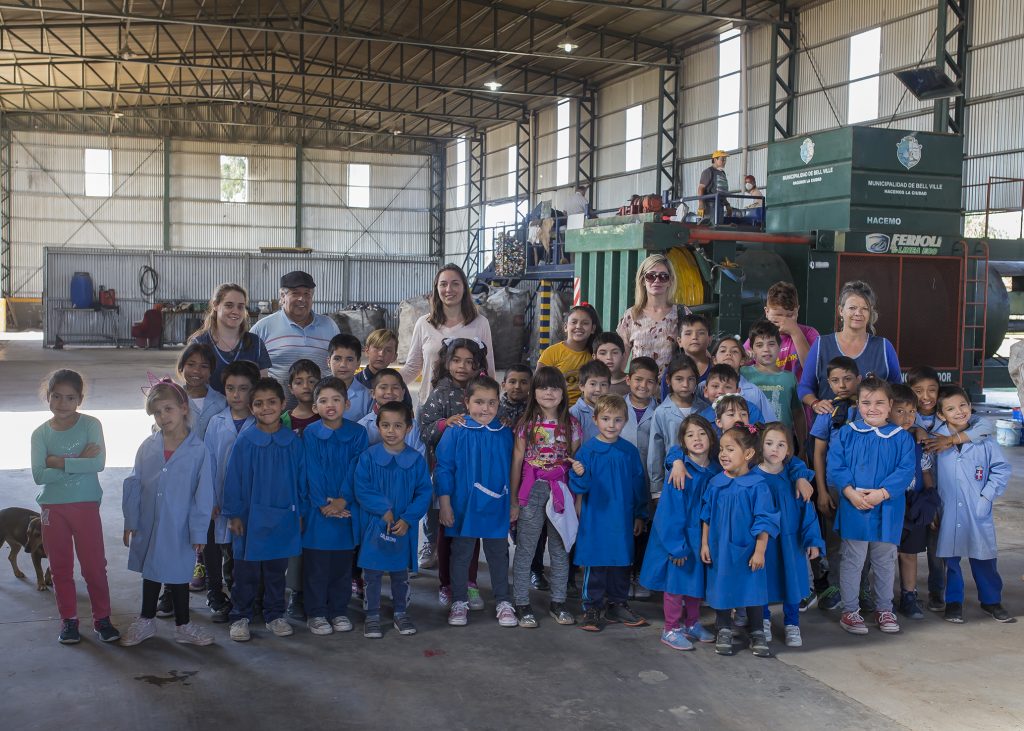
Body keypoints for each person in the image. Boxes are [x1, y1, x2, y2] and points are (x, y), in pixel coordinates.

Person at [120, 380, 215, 647]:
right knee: (150, 570)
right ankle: (146, 621)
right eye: (157, 412)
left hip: (180, 525)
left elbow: (203, 495)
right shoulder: (148, 447)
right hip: (149, 521)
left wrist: (198, 530)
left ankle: (183, 625)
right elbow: (134, 483)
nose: (163, 417)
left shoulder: (198, 451)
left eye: (168, 409)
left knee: (179, 573)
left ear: (184, 408)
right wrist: (131, 519)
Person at [30, 370, 118, 645]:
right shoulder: (40, 434)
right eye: (56, 396)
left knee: (93, 566)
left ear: (80, 399)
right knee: (60, 567)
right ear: (48, 397)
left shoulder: (91, 424)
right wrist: (78, 460)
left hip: (85, 505)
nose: (62, 403)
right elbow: (39, 476)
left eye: (70, 397)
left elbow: (98, 464)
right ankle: (68, 620)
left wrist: (58, 462)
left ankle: (102, 618)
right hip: (52, 508)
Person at [827, 377, 916, 636]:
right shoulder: (847, 433)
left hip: (887, 508)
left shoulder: (901, 438)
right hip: (854, 505)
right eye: (866, 402)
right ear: (858, 404)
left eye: (879, 402)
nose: (872, 408)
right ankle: (850, 610)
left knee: (885, 560)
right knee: (853, 560)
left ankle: (884, 608)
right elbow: (836, 465)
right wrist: (849, 492)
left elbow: (905, 470)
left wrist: (882, 493)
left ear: (890, 405)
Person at [223, 377, 304, 642]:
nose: (265, 408)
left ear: (282, 405)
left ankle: (274, 614)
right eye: (258, 403)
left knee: (275, 571)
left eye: (272, 402)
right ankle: (240, 616)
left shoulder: (292, 442)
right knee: (245, 572)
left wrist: (300, 512)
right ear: (251, 407)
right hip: (248, 518)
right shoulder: (245, 441)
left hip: (282, 517)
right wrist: (234, 514)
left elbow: (301, 479)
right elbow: (233, 478)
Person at [434, 376, 517, 628]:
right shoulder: (456, 431)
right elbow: (444, 469)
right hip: (463, 506)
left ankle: (503, 600)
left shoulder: (504, 433)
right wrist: (445, 504)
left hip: (496, 504)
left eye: (492, 403)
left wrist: (513, 502)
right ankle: (459, 600)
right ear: (466, 402)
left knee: (499, 555)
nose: (486, 408)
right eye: (479, 402)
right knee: (461, 554)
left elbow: (513, 469)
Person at [932, 386, 1014, 624]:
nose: (959, 412)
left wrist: (986, 497)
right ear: (941, 415)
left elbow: (1000, 469)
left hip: (977, 507)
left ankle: (991, 600)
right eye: (950, 408)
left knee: (984, 556)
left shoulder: (984, 439)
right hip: (946, 508)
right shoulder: (936, 440)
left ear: (970, 406)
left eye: (963, 405)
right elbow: (931, 473)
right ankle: (954, 602)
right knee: (952, 558)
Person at [639, 414, 721, 650]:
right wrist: (676, 546)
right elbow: (670, 512)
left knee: (695, 583)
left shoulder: (715, 470)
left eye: (702, 433)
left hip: (700, 537)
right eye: (690, 434)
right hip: (679, 536)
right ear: (683, 442)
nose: (697, 438)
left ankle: (692, 623)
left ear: (712, 438)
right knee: (675, 585)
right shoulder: (681, 471)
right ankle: (671, 628)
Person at [510, 366, 582, 628]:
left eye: (554, 387)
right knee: (526, 547)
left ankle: (559, 601)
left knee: (560, 548)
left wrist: (577, 501)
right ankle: (521, 602)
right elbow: (517, 461)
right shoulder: (526, 424)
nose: (548, 392)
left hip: (562, 490)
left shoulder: (572, 425)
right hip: (532, 489)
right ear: (534, 392)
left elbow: (575, 462)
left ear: (563, 392)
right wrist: (514, 501)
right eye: (542, 387)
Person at [419, 338, 489, 609]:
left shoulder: (481, 391)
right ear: (447, 362)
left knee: (471, 532)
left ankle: (470, 583)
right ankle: (447, 584)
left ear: (477, 365)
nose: (462, 366)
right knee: (447, 533)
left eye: (469, 361)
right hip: (447, 477)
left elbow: (494, 419)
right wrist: (443, 424)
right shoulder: (440, 393)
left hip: (476, 478)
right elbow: (424, 431)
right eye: (456, 360)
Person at [354, 401, 433, 638]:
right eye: (386, 425)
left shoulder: (416, 460)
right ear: (377, 426)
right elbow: (361, 487)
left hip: (403, 527)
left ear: (409, 428)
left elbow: (424, 493)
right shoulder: (368, 457)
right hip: (374, 525)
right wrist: (382, 509)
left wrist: (408, 519)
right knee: (373, 574)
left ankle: (401, 611)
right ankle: (373, 615)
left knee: (400, 573)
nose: (391, 431)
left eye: (398, 425)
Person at [700, 424, 780, 657]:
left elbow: (764, 520)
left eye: (730, 449)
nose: (723, 454)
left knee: (752, 590)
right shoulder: (716, 483)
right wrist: (705, 543)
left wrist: (760, 551)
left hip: (749, 550)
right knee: (722, 586)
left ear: (748, 454)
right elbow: (706, 515)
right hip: (719, 548)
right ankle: (723, 627)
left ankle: (757, 631)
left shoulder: (758, 486)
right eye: (721, 449)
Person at [571, 394, 649, 632]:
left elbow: (639, 486)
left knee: (621, 562)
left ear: (625, 421)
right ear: (595, 419)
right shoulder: (587, 452)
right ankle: (592, 607)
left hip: (622, 518)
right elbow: (579, 487)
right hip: (596, 518)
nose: (611, 425)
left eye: (617, 420)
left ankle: (617, 603)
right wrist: (580, 473)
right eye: (605, 419)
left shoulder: (629, 452)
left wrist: (640, 514)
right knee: (596, 563)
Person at [300, 377, 368, 637]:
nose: (330, 405)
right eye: (323, 400)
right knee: (316, 567)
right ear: (315, 406)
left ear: (347, 404)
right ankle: (316, 613)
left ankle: (339, 610)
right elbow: (311, 471)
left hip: (346, 510)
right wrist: (322, 504)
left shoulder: (358, 433)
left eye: (336, 399)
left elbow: (357, 469)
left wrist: (343, 500)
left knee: (342, 567)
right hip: (318, 513)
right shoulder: (311, 434)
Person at [202, 359, 260, 622]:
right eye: (230, 388)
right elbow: (209, 462)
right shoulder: (216, 422)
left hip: (252, 502)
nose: (236, 395)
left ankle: (247, 599)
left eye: (243, 388)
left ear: (253, 390)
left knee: (246, 551)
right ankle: (224, 597)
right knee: (224, 548)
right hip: (221, 498)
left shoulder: (260, 422)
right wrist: (212, 499)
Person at [755, 423, 822, 649]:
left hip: (791, 540)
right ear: (760, 446)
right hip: (763, 543)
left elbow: (807, 510)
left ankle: (792, 623)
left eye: (781, 444)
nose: (775, 449)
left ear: (788, 451)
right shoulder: (752, 477)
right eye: (769, 443)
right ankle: (762, 619)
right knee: (761, 581)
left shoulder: (795, 478)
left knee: (792, 581)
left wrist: (813, 539)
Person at [800, 280, 902, 416]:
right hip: (829, 430)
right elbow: (804, 387)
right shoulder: (821, 345)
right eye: (852, 308)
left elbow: (898, 390)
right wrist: (815, 403)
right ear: (841, 311)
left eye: (865, 308)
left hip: (873, 432)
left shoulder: (884, 346)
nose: (858, 313)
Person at [401, 264, 496, 406]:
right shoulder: (424, 323)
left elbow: (488, 370)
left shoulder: (480, 323)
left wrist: (493, 403)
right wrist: (384, 381)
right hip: (429, 407)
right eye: (443, 284)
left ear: (464, 288)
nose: (449, 289)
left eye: (455, 284)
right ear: (436, 288)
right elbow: (413, 367)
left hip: (468, 409)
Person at [810, 356, 861, 611]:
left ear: (859, 379)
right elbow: (818, 453)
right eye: (835, 380)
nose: (842, 385)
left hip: (864, 487)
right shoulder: (828, 412)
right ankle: (836, 586)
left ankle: (862, 588)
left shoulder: (868, 408)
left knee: (863, 538)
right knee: (835, 539)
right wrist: (821, 491)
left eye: (848, 379)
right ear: (828, 383)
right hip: (833, 486)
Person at [249, 270, 340, 407]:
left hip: (322, 414)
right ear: (282, 296)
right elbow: (248, 369)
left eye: (307, 294)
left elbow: (339, 364)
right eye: (295, 293)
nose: (302, 299)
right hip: (275, 416)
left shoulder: (329, 326)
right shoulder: (262, 328)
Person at [890, 385, 938, 620]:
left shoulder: (918, 440)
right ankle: (882, 597)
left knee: (909, 553)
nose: (907, 417)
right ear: (888, 410)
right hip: (889, 505)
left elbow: (926, 471)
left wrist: (930, 499)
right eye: (900, 411)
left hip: (915, 504)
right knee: (886, 553)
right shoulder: (882, 440)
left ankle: (909, 595)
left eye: (911, 412)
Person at [189, 283, 271, 392]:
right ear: (215, 305)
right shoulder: (199, 343)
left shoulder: (256, 343)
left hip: (248, 408)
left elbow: (264, 387)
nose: (236, 311)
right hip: (209, 408)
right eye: (229, 305)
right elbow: (193, 387)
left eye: (240, 307)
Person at [616, 254, 690, 375]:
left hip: (672, 390)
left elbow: (696, 352)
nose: (657, 281)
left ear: (670, 281)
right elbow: (620, 362)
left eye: (663, 276)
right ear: (643, 281)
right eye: (650, 276)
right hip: (640, 389)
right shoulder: (631, 315)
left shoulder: (682, 313)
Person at [648, 355, 703, 498]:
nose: (685, 384)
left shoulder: (705, 409)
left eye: (691, 379)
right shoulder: (661, 412)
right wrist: (656, 491)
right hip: (672, 480)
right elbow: (656, 453)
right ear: (668, 381)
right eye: (679, 379)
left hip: (701, 481)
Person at [741, 319, 805, 438]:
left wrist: (802, 446)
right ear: (751, 349)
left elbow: (798, 414)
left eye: (771, 344)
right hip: (751, 441)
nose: (766, 349)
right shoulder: (742, 373)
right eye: (759, 345)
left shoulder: (789, 378)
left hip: (783, 443)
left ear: (779, 346)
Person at [743, 282, 818, 382]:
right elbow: (741, 367)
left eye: (789, 316)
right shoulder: (758, 337)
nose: (784, 322)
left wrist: (795, 332)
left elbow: (813, 370)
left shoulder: (809, 333)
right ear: (767, 312)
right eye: (777, 317)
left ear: (797, 310)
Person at [538, 304, 599, 405]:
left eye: (585, 323)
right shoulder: (552, 352)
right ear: (566, 327)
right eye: (574, 322)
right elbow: (538, 384)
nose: (578, 326)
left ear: (593, 329)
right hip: (555, 408)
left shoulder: (594, 355)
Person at [708, 335, 776, 421]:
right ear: (714, 360)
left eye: (735, 351)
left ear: (742, 360)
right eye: (723, 350)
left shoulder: (753, 392)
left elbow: (770, 422)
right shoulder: (703, 386)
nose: (728, 354)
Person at [359, 369, 426, 455]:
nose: (389, 392)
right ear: (373, 393)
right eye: (383, 387)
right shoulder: (363, 427)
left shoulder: (412, 425)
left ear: (403, 393)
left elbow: (420, 458)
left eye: (395, 388)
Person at [177, 341, 226, 441]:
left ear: (211, 371)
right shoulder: (173, 400)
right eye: (191, 364)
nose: (196, 370)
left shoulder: (222, 402)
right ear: (182, 367)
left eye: (204, 366)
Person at [356, 329, 413, 409]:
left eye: (388, 350)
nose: (381, 354)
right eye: (377, 348)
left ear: (394, 357)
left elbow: (408, 414)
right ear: (366, 351)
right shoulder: (355, 382)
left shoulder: (399, 384)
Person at [699, 364, 764, 431]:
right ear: (706, 391)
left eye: (728, 387)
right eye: (715, 386)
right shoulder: (702, 418)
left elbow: (760, 435)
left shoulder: (751, 410)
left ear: (737, 392)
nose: (721, 391)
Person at [327, 334, 373, 421]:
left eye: (349, 359)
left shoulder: (367, 397)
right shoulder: (317, 389)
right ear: (329, 361)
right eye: (337, 359)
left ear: (358, 363)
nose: (343, 365)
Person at [570, 360, 611, 445]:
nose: (598, 389)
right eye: (593, 384)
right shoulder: (575, 413)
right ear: (582, 386)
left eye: (603, 384)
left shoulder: (611, 410)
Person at [281, 359, 321, 435]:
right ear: (291, 389)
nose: (306, 386)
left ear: (320, 385)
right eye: (299, 382)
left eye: (311, 381)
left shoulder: (327, 415)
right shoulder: (282, 421)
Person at [696, 150, 731, 223]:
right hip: (710, 206)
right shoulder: (708, 172)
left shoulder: (722, 173)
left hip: (720, 205)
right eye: (722, 159)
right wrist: (701, 204)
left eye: (725, 160)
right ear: (715, 159)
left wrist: (727, 205)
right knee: (711, 228)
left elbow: (721, 191)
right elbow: (700, 188)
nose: (724, 162)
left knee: (718, 228)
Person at [678, 314, 712, 385]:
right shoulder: (672, 370)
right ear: (679, 341)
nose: (694, 337)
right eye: (688, 333)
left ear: (709, 340)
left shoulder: (718, 369)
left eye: (701, 333)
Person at [592, 331, 629, 396]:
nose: (609, 357)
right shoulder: (590, 383)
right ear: (594, 357)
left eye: (615, 352)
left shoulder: (632, 383)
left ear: (623, 356)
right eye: (603, 353)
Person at [497, 364, 532, 428]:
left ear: (531, 386)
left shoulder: (535, 409)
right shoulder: (495, 408)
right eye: (512, 382)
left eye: (523, 382)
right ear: (503, 385)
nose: (517, 387)